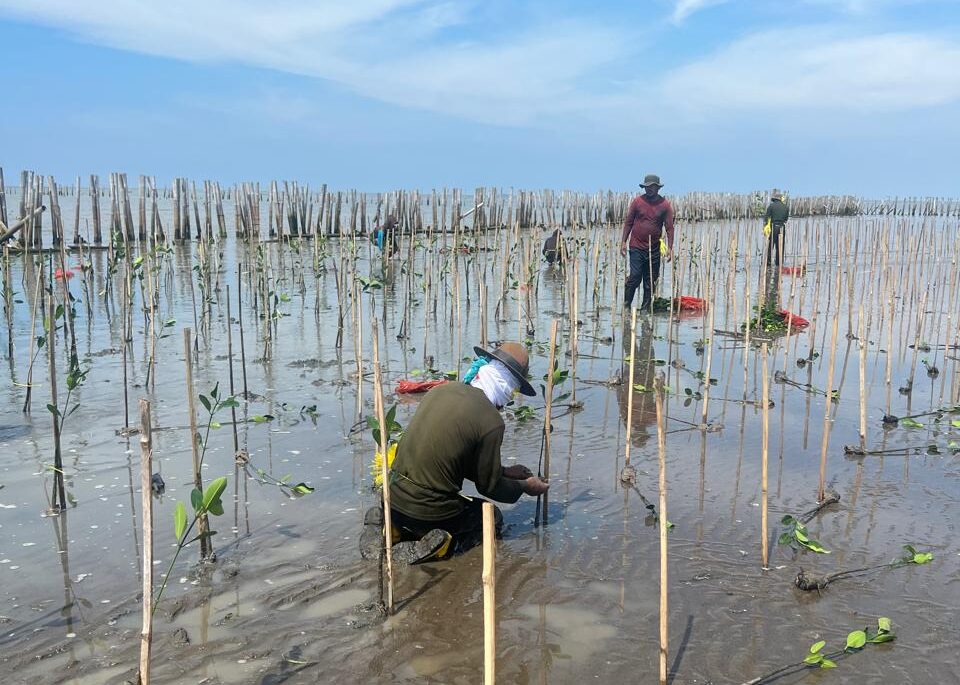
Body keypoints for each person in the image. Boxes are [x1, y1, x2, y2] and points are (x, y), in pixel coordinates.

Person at [360, 342, 550, 564]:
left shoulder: (440, 390)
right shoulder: (491, 421)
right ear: (508, 386)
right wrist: (525, 487)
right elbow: (488, 486)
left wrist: (505, 471)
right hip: (429, 512)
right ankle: (436, 546)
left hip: (393, 499)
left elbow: (450, 458)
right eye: (513, 391)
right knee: (492, 518)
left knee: (414, 508)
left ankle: (387, 526)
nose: (510, 399)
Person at [621, 174, 674, 312]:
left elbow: (669, 228)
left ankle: (645, 310)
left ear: (658, 188)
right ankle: (626, 305)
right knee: (635, 276)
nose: (649, 189)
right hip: (636, 246)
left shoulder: (665, 205)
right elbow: (628, 222)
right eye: (647, 187)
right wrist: (623, 242)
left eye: (652, 187)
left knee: (650, 280)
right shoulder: (637, 202)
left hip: (654, 248)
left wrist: (670, 248)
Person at [763, 189, 789, 268]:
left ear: (774, 199)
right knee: (780, 246)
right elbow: (786, 219)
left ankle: (768, 263)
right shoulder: (786, 207)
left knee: (771, 246)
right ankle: (779, 263)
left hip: (773, 227)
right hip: (782, 227)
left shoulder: (771, 206)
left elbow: (766, 218)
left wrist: (765, 227)